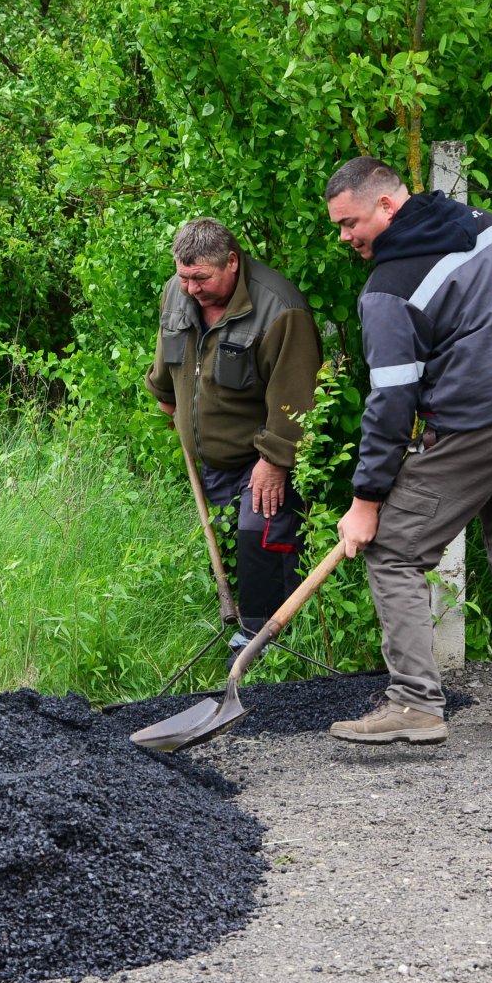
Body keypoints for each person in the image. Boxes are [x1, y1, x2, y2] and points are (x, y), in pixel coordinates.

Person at [323, 155, 492, 746]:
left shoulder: (389, 289)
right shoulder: (491, 228)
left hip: (481, 427)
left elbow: (390, 404)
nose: (345, 237)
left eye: (350, 223)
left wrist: (366, 500)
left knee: (392, 553)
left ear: (387, 204)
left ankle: (414, 704)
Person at [145, 218, 322, 655]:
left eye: (200, 278)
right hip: (208, 456)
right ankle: (247, 628)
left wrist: (276, 459)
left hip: (258, 453)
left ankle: (268, 644)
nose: (190, 289)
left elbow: (296, 394)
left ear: (232, 262)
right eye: (183, 277)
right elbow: (169, 351)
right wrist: (165, 395)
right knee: (225, 543)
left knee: (259, 536)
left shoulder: (281, 308)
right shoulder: (178, 290)